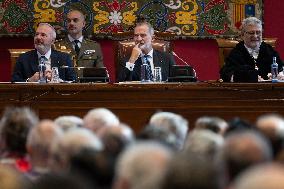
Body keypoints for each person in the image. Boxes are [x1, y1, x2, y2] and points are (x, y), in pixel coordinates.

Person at [220, 17, 283, 82]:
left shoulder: (268, 50)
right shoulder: (236, 52)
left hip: (268, 90)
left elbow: (280, 68)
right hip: (244, 90)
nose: (255, 36)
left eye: (258, 32)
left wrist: (280, 75)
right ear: (242, 35)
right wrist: (249, 77)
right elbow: (226, 74)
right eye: (251, 33)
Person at [11, 23, 76, 82]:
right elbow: (14, 81)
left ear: (52, 41)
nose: (38, 37)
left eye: (43, 35)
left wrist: (57, 80)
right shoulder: (23, 58)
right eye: (36, 34)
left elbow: (73, 82)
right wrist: (29, 80)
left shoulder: (64, 58)